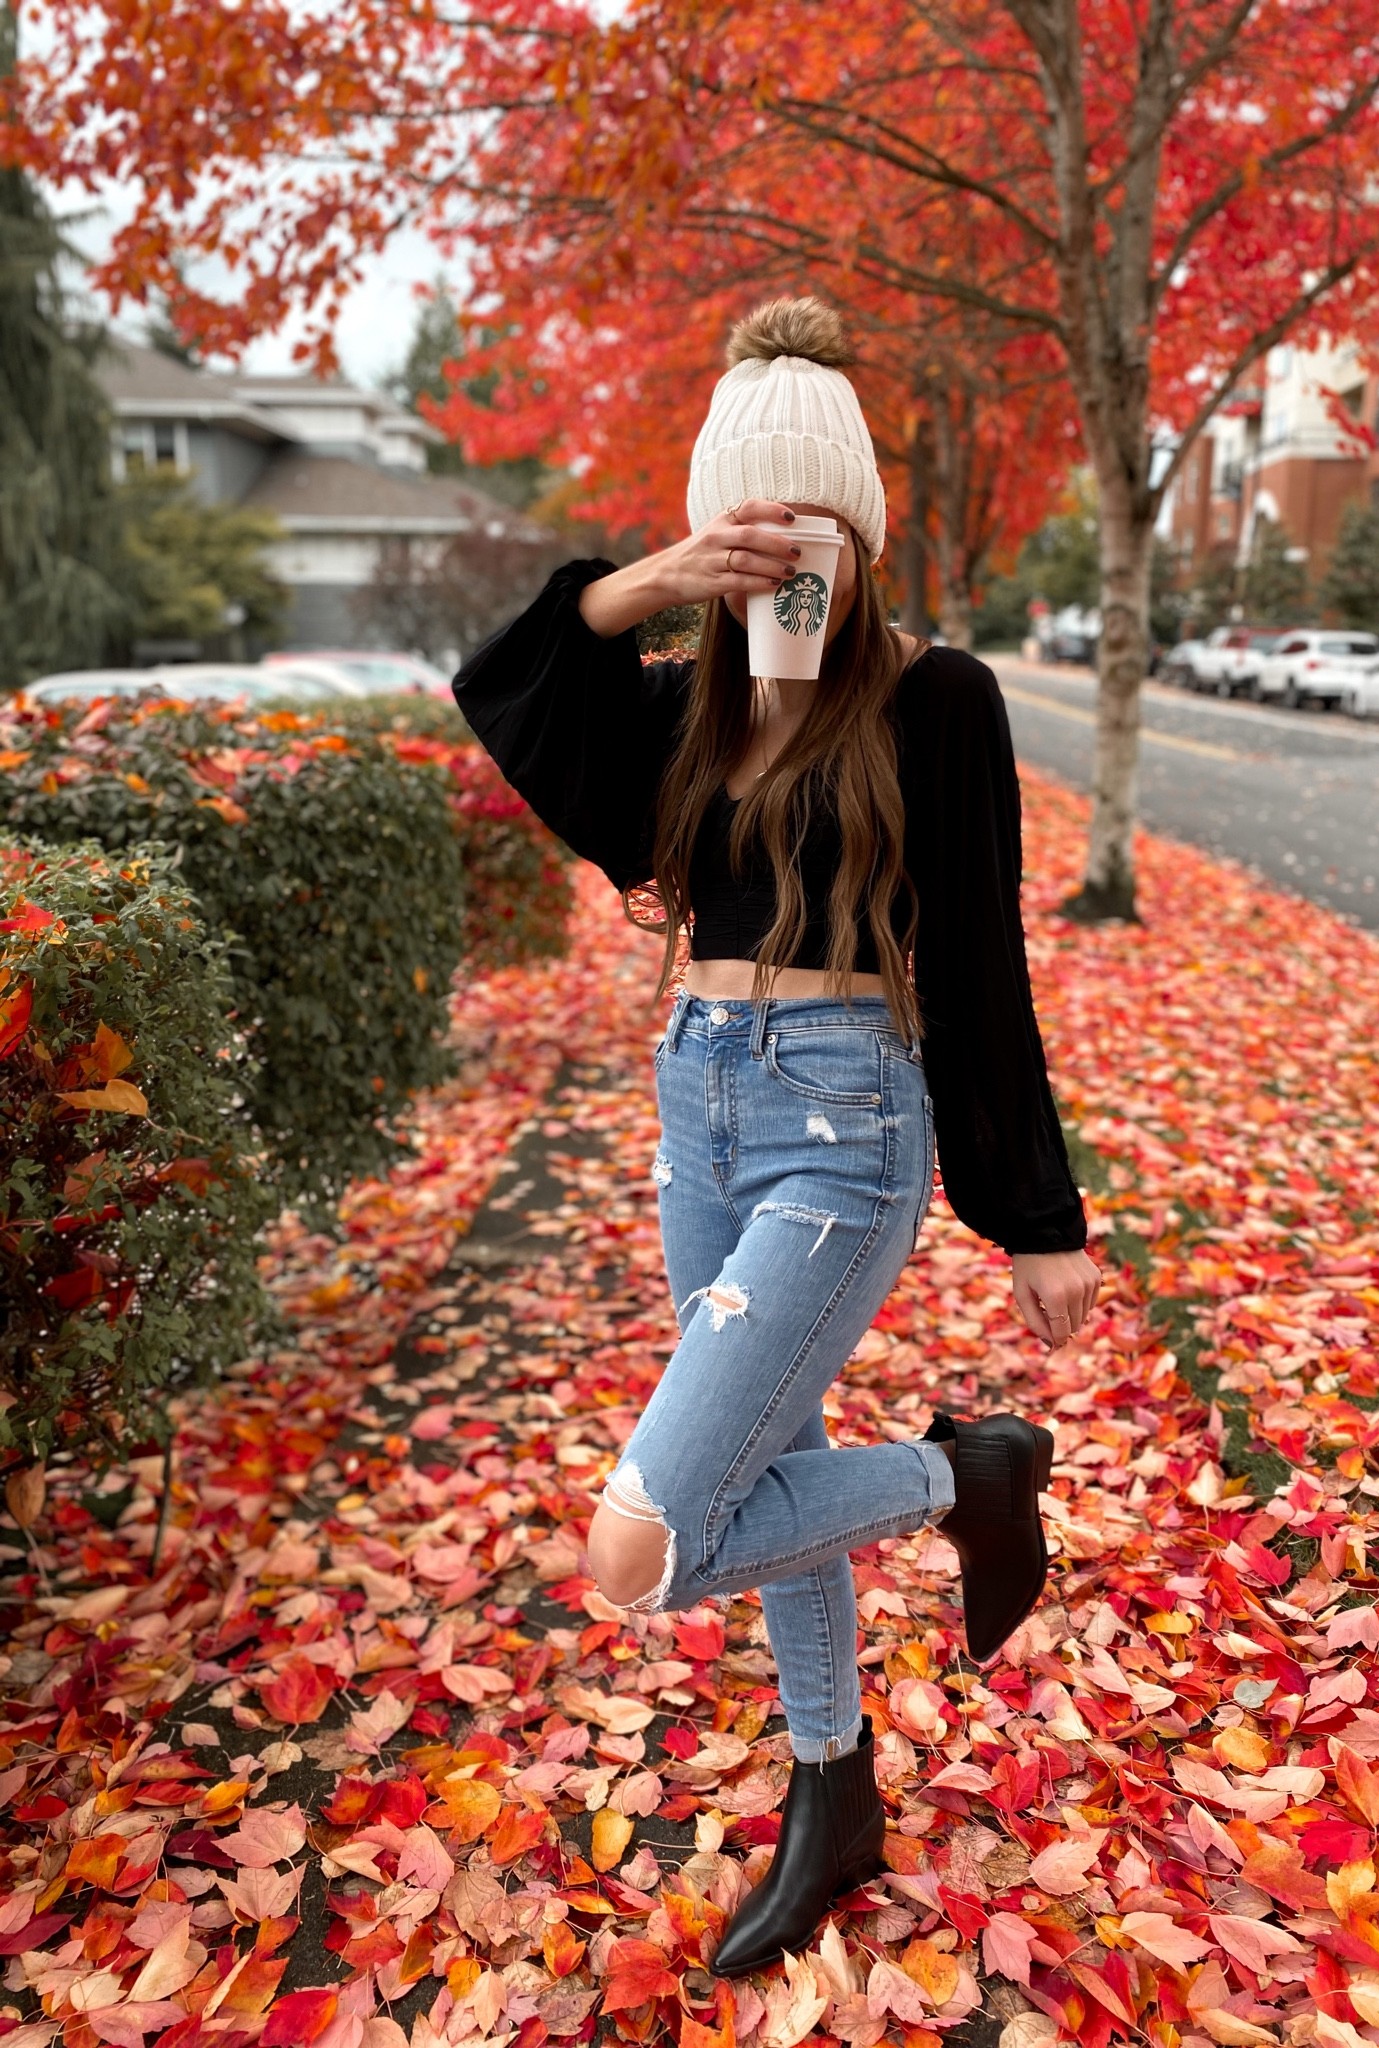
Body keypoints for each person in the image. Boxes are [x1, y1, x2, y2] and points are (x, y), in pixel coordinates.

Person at [453, 295, 1099, 1975]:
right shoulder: (677, 708)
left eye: (810, 516)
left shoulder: (938, 700)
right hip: (698, 1103)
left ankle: (972, 1475)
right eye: (751, 517)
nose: (784, 547)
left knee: (645, 1544)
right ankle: (835, 1790)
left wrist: (1034, 1210)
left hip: (844, 1123)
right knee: (766, 1466)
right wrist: (662, 583)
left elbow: (980, 958)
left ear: (861, 526)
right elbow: (504, 687)